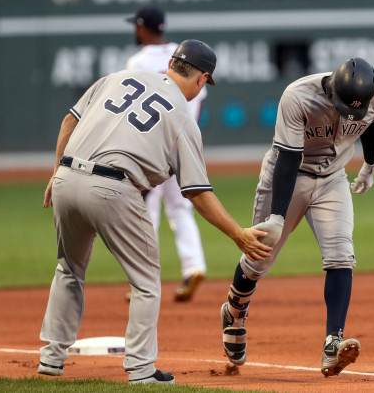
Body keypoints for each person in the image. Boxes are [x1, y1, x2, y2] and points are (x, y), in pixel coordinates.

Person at [37, 40, 272, 384]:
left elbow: (68, 123)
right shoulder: (182, 116)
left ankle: (51, 360)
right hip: (112, 188)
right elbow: (197, 193)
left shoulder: (118, 77)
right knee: (146, 281)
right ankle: (141, 371)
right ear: (201, 78)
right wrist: (238, 234)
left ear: (173, 65)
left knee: (68, 270)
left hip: (66, 178)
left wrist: (57, 170)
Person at [220, 58, 374, 377]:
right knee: (258, 259)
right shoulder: (297, 96)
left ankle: (332, 342)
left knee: (341, 253)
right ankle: (234, 313)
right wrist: (278, 218)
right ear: (332, 89)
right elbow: (288, 159)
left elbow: (373, 121)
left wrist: (370, 165)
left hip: (333, 177)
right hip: (287, 177)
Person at [124, 6, 208, 302]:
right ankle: (194, 266)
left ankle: (144, 280)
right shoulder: (184, 57)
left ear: (143, 28)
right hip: (186, 145)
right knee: (182, 208)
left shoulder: (138, 62)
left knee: (147, 212)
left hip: (152, 149)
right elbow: (199, 100)